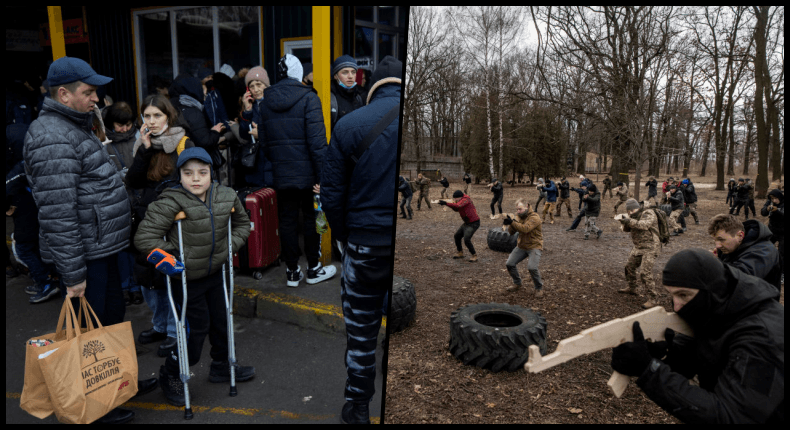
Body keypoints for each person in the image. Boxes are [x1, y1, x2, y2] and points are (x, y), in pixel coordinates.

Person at [23, 56, 154, 424]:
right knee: (90, 332)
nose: (97, 99)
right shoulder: (50, 135)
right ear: (63, 94)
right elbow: (57, 212)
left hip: (102, 245)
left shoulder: (75, 125)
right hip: (86, 254)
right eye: (89, 92)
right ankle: (96, 402)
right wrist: (73, 273)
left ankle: (119, 381)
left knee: (110, 319)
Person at [134, 147, 256, 406]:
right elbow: (144, 238)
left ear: (212, 172)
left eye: (202, 172)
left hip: (216, 272)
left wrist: (228, 246)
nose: (196, 178)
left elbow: (243, 224)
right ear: (180, 175)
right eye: (188, 173)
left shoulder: (225, 195)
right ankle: (171, 374)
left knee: (222, 321)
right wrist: (176, 255)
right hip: (186, 279)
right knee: (195, 330)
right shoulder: (170, 201)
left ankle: (222, 366)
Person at [610, 249, 784, 424]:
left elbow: (734, 416)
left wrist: (649, 370)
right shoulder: (718, 306)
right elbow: (701, 353)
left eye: (683, 295)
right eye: (672, 295)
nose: (676, 307)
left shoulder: (763, 338)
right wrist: (665, 353)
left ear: (712, 289)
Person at [321, 56, 401, 423]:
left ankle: (358, 407)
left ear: (372, 85)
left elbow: (331, 196)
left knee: (362, 329)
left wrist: (347, 237)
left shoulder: (349, 124)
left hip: (365, 243)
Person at [257, 54, 336, 287]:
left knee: (288, 221)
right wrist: (323, 176)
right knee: (312, 219)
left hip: (282, 175)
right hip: (309, 175)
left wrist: (280, 165)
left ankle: (292, 272)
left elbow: (264, 143)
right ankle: (314, 268)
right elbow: (318, 143)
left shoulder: (265, 102)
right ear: (299, 74)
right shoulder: (309, 98)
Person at [126, 94, 195, 357]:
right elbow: (133, 180)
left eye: (157, 115)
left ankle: (175, 330)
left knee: (169, 277)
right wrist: (143, 148)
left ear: (169, 116)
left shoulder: (182, 142)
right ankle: (160, 325)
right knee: (147, 278)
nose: (152, 121)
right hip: (146, 220)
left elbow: (192, 183)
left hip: (172, 223)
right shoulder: (143, 144)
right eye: (147, 116)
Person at [707, 214, 782, 293]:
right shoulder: (728, 247)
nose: (717, 245)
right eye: (715, 240)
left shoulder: (765, 251)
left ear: (740, 235)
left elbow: (741, 278)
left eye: (721, 239)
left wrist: (715, 264)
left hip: (759, 303)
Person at [168, 74, 226, 174]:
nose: (204, 92)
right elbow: (204, 141)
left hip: (173, 163)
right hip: (194, 164)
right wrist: (215, 132)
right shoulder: (192, 111)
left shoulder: (169, 108)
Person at [616, 199, 662, 309]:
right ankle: (632, 288)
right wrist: (623, 221)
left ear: (638, 207)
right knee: (629, 267)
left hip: (651, 247)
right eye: (629, 211)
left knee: (645, 273)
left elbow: (644, 225)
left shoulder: (648, 213)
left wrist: (628, 220)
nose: (631, 212)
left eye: (633, 210)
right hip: (639, 247)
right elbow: (628, 229)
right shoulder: (632, 215)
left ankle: (653, 298)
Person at [503, 199, 545, 297]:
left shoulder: (535, 217)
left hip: (534, 246)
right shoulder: (518, 216)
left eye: (520, 209)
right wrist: (510, 223)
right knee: (509, 264)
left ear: (526, 206)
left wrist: (512, 223)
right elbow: (511, 232)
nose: (518, 211)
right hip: (522, 246)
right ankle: (517, 283)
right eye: (517, 209)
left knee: (532, 267)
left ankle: (539, 288)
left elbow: (526, 229)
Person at [439, 190, 480, 262]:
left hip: (474, 223)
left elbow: (458, 205)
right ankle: (460, 252)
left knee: (466, 239)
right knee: (457, 236)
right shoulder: (460, 201)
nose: (454, 200)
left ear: (460, 197)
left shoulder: (466, 199)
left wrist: (446, 203)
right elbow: (457, 209)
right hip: (467, 222)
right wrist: (448, 205)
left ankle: (474, 255)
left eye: (455, 198)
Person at [330, 55, 366, 128]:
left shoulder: (359, 96)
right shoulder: (330, 97)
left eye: (353, 72)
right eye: (345, 72)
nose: (350, 76)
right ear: (335, 76)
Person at [760, 189, 783, 283]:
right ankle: (764, 268)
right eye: (772, 198)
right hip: (772, 231)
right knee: (764, 248)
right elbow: (763, 212)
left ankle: (782, 274)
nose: (774, 200)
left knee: (782, 254)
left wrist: (777, 211)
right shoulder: (770, 202)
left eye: (775, 198)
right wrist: (767, 209)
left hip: (783, 233)